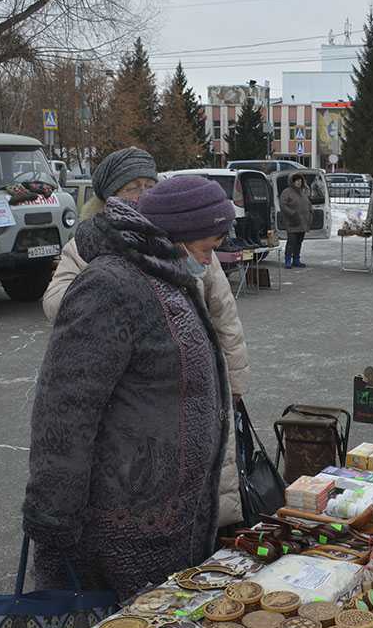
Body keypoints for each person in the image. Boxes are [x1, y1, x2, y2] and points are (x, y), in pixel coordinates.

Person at [23, 176, 236, 598]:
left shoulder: (165, 275)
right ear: (176, 235)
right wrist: (54, 522)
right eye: (208, 248)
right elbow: (64, 411)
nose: (210, 261)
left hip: (168, 523)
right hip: (124, 530)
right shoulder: (111, 286)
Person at [44, 148, 251, 532]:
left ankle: (211, 534)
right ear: (106, 197)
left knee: (211, 477)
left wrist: (234, 384)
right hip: (138, 393)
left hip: (202, 383)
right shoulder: (89, 245)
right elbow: (55, 303)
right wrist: (106, 289)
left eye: (147, 186)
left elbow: (225, 317)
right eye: (129, 188)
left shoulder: (187, 239)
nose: (140, 195)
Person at [279, 173, 311, 268]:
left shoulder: (303, 192)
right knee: (291, 242)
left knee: (299, 242)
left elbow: (308, 203)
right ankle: (288, 260)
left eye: (300, 181)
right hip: (292, 222)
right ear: (292, 182)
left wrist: (310, 211)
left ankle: (296, 259)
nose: (299, 183)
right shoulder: (287, 192)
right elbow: (283, 205)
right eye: (297, 181)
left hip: (302, 222)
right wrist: (292, 213)